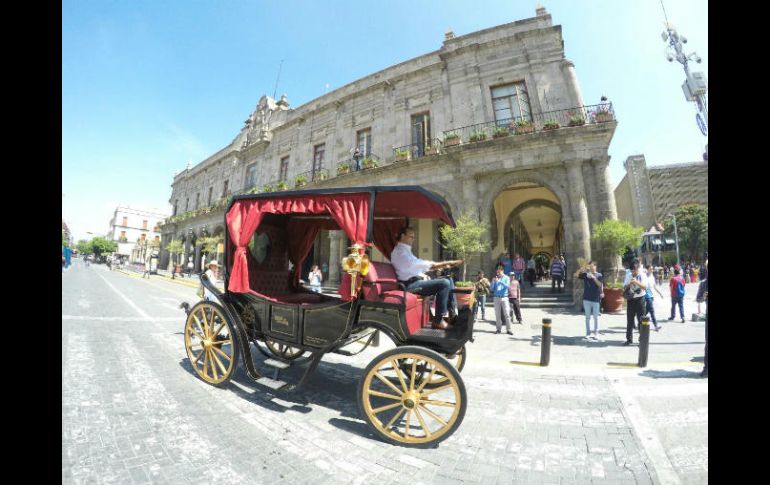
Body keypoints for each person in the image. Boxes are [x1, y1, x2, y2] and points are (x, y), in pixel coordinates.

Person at [389, 227, 463, 329]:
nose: (413, 239)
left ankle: (452, 315)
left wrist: (425, 275)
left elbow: (414, 268)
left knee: (449, 280)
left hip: (416, 281)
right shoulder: (399, 252)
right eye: (411, 236)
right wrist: (443, 264)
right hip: (409, 285)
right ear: (402, 236)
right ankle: (438, 320)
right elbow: (416, 264)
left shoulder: (406, 251)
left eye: (414, 237)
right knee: (444, 283)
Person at [576, 261, 603, 340]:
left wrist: (593, 277)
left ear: (595, 266)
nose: (591, 268)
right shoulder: (585, 274)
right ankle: (588, 333)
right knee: (587, 317)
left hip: (595, 299)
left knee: (596, 317)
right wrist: (581, 269)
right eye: (589, 266)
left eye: (592, 266)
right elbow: (576, 275)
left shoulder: (599, 275)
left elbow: (600, 285)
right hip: (586, 298)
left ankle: (596, 333)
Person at [622, 261, 647, 345]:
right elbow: (624, 287)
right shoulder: (628, 275)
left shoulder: (642, 275)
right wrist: (630, 283)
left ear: (637, 269)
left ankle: (642, 339)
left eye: (634, 270)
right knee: (630, 320)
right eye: (632, 271)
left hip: (640, 299)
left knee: (641, 320)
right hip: (631, 300)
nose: (633, 272)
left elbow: (645, 287)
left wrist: (636, 282)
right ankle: (629, 339)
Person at [490, 265, 512, 335]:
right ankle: (498, 329)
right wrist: (493, 282)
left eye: (499, 272)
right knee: (497, 314)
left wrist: (500, 281)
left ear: (502, 271)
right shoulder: (495, 278)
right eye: (497, 272)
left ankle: (509, 329)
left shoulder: (507, 278)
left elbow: (507, 286)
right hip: (496, 297)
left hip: (504, 297)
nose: (498, 273)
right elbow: (491, 289)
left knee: (507, 314)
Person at [644, 264, 665, 331]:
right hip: (647, 295)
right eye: (650, 269)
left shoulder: (652, 277)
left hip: (651, 296)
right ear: (647, 269)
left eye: (652, 269)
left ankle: (639, 319)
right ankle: (656, 325)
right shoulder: (644, 276)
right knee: (652, 310)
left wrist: (660, 294)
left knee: (646, 311)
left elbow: (654, 286)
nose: (652, 270)